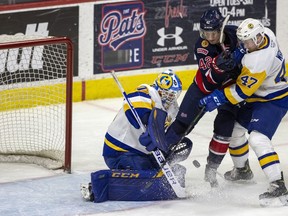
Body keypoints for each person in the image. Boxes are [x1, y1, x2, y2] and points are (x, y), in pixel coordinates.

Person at [200, 18, 288, 206]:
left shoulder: (257, 61)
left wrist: (217, 97)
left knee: (258, 138)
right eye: (243, 41)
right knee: (235, 131)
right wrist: (240, 50)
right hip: (260, 94)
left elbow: (241, 92)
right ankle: (242, 171)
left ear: (257, 38)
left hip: (274, 99)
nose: (244, 45)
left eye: (247, 42)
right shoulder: (267, 34)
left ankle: (278, 185)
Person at [165, 9, 252, 187]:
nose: (210, 37)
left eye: (213, 32)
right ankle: (161, 156)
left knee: (224, 128)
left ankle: (211, 169)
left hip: (229, 91)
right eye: (205, 32)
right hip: (202, 90)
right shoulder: (202, 46)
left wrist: (240, 57)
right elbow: (208, 79)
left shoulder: (237, 36)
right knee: (182, 123)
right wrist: (219, 67)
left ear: (222, 28)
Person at [81, 69, 193, 202]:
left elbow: (169, 134)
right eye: (168, 94)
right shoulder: (147, 92)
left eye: (173, 95)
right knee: (144, 174)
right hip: (119, 151)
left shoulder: (173, 108)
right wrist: (150, 127)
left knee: (174, 171)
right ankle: (95, 187)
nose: (170, 98)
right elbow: (137, 114)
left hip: (144, 153)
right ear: (159, 88)